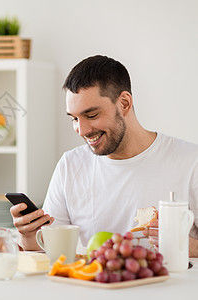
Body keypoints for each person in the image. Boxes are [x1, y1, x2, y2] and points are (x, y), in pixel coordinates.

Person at [11, 55, 198, 256]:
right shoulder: (70, 165)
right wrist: (28, 236)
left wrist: (182, 245)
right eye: (74, 118)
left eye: (91, 115)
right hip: (89, 285)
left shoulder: (190, 161)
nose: (81, 130)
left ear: (124, 103)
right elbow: (52, 251)